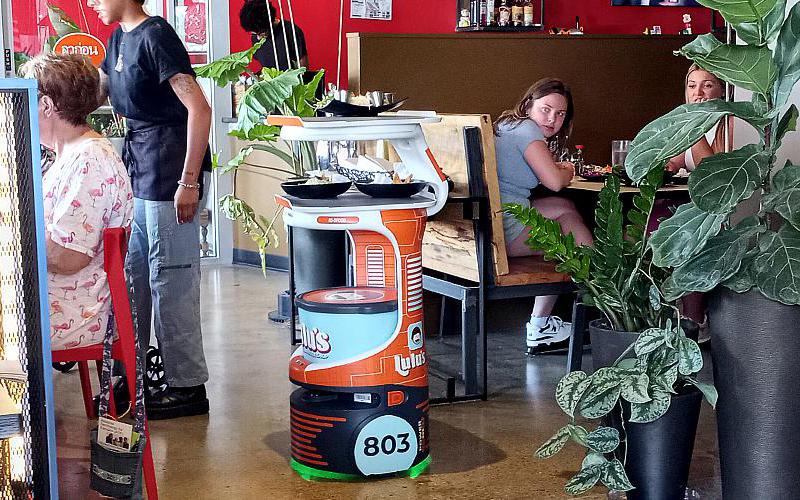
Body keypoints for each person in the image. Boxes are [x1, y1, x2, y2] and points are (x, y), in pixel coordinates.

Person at [89, 0, 212, 420]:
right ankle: (134, 372)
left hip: (172, 169)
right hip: (140, 166)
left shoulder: (156, 35)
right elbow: (95, 93)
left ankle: (187, 386)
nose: (90, 2)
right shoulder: (117, 37)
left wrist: (189, 181)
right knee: (134, 276)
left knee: (170, 280)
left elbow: (200, 109)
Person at [20, 53, 134, 352]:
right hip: (59, 301)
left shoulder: (88, 161)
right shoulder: (73, 155)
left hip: (70, 315)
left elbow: (68, 258)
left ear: (46, 105)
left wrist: (15, 233)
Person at [494, 78, 593, 355]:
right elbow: (554, 180)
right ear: (528, 105)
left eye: (560, 114)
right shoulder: (528, 130)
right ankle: (598, 298)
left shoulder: (507, 125)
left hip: (493, 219)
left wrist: (557, 169)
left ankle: (545, 322)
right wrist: (567, 169)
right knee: (568, 234)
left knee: (566, 209)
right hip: (506, 229)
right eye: (546, 109)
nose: (552, 119)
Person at [666, 64, 729, 174]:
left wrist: (694, 125)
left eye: (707, 86)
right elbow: (675, 162)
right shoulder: (686, 122)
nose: (698, 93)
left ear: (723, 90)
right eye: (692, 86)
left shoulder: (729, 123)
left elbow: (710, 173)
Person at [239, 0, 308, 70]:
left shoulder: (290, 31)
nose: (258, 37)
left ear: (269, 23)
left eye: (261, 32)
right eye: (254, 33)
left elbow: (303, 68)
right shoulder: (255, 36)